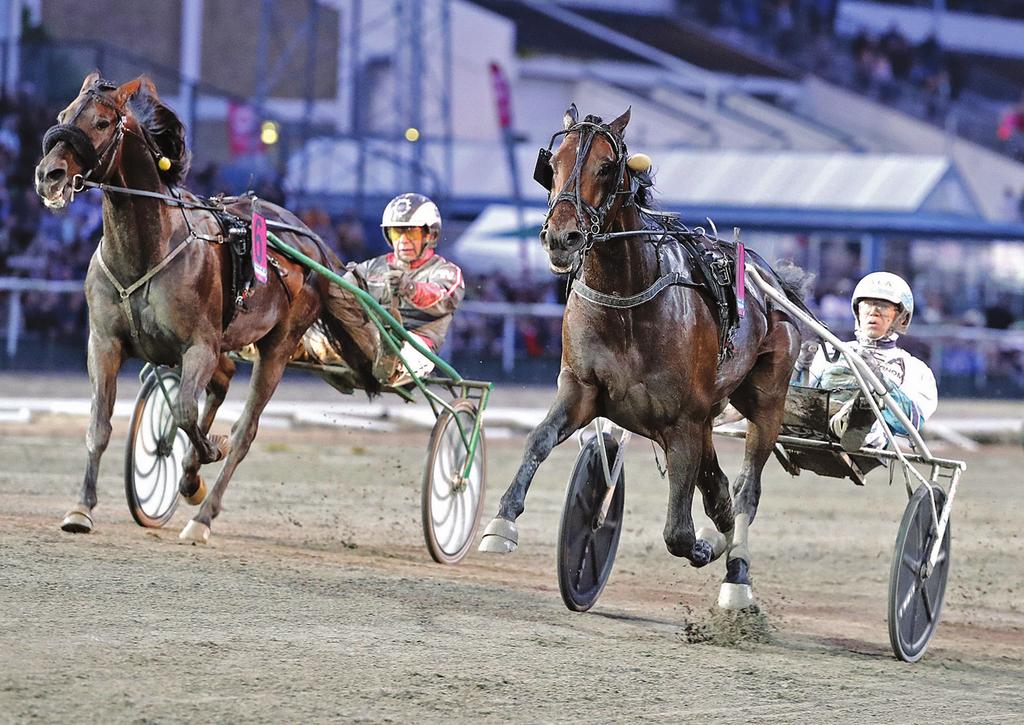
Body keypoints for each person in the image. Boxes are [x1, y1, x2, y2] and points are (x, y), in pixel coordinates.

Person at [311, 193, 464, 386]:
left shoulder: (446, 271)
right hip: (368, 337)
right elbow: (340, 291)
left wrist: (410, 288)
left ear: (430, 235)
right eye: (396, 233)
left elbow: (440, 297)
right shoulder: (372, 267)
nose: (403, 241)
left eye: (412, 233)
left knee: (397, 358)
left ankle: (389, 356)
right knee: (316, 328)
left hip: (418, 345)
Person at [798, 271, 938, 451]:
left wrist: (879, 380)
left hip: (870, 434)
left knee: (865, 412)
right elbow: (799, 399)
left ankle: (851, 426)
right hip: (817, 419)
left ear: (901, 317)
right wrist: (801, 367)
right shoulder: (832, 349)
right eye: (867, 305)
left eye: (883, 306)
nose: (873, 312)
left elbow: (912, 422)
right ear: (857, 311)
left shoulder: (915, 369)